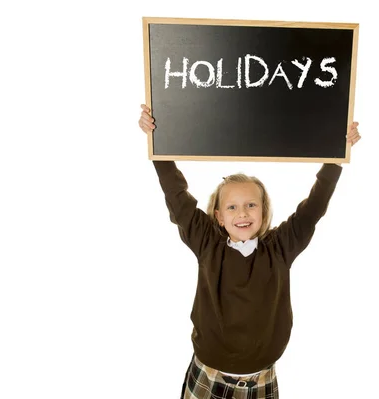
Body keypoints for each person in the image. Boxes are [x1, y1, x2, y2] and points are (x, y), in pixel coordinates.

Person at [138, 104, 361, 399]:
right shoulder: (206, 242)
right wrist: (159, 142)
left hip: (262, 380)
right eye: (232, 206)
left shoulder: (281, 246)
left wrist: (336, 158)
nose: (242, 213)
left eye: (251, 205)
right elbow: (176, 195)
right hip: (208, 374)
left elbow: (313, 208)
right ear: (218, 216)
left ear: (264, 210)